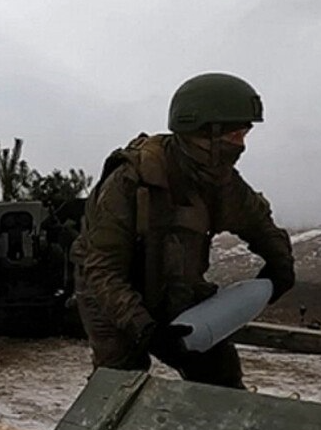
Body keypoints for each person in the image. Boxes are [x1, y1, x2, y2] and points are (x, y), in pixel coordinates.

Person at [75, 72, 295, 389]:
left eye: (244, 135)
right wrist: (146, 330)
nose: (241, 146)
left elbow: (258, 223)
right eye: (235, 135)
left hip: (176, 287)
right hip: (112, 294)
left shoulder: (221, 182)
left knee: (220, 375)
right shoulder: (129, 182)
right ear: (204, 132)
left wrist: (279, 263)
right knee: (118, 384)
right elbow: (103, 270)